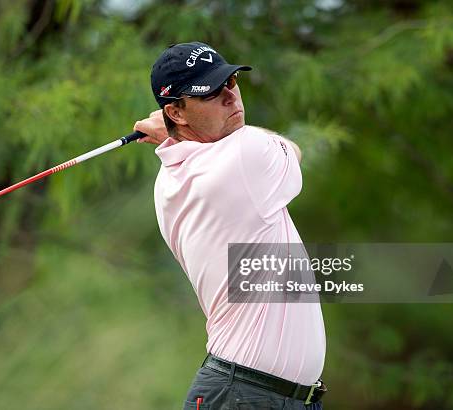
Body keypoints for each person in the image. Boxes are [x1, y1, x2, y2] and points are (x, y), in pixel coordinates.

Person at [134, 42, 327, 410]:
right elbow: (293, 150)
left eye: (231, 81)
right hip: (246, 394)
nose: (230, 97)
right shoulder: (243, 155)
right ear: (176, 110)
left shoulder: (170, 180)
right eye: (209, 92)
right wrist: (170, 131)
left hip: (251, 392)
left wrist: (173, 131)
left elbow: (209, 149)